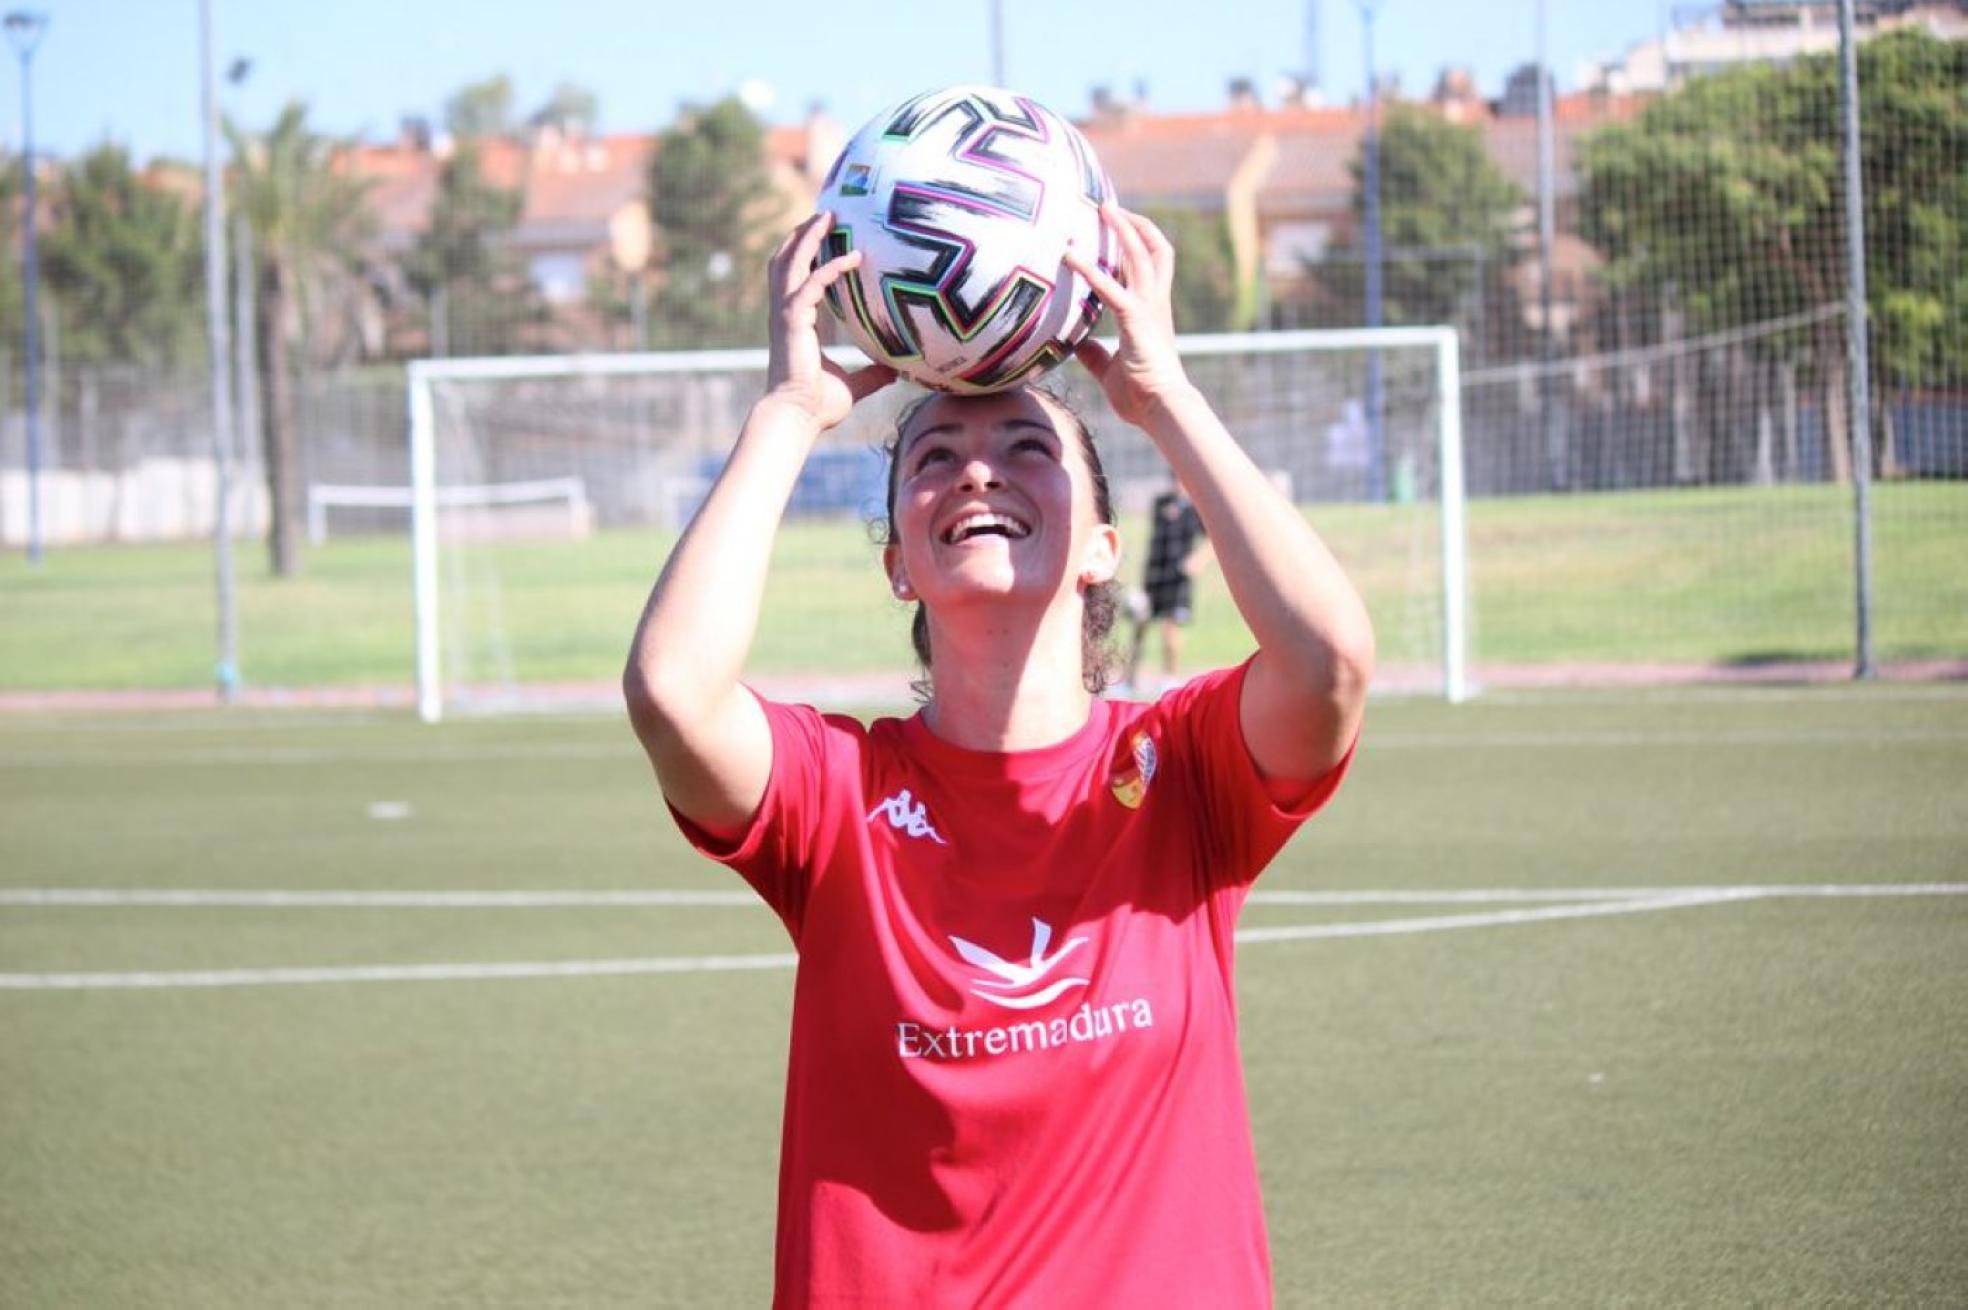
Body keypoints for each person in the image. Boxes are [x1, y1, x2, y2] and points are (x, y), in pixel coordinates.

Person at [624, 203, 1375, 1308]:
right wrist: (789, 412)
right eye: (934, 458)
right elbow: (673, 692)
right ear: (897, 564)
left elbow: (1330, 661)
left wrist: (1162, 399)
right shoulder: (838, 795)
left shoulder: (1185, 770)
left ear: (1102, 548)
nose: (978, 472)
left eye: (1030, 447)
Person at [1126, 475, 1214, 690]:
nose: (1178, 483)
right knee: (1140, 625)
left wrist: (1199, 560)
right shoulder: (1161, 503)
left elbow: (1212, 538)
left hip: (1178, 579)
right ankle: (1130, 679)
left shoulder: (1197, 509)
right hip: (1154, 576)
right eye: (1175, 478)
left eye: (1182, 479)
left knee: (1170, 628)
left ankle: (1170, 678)